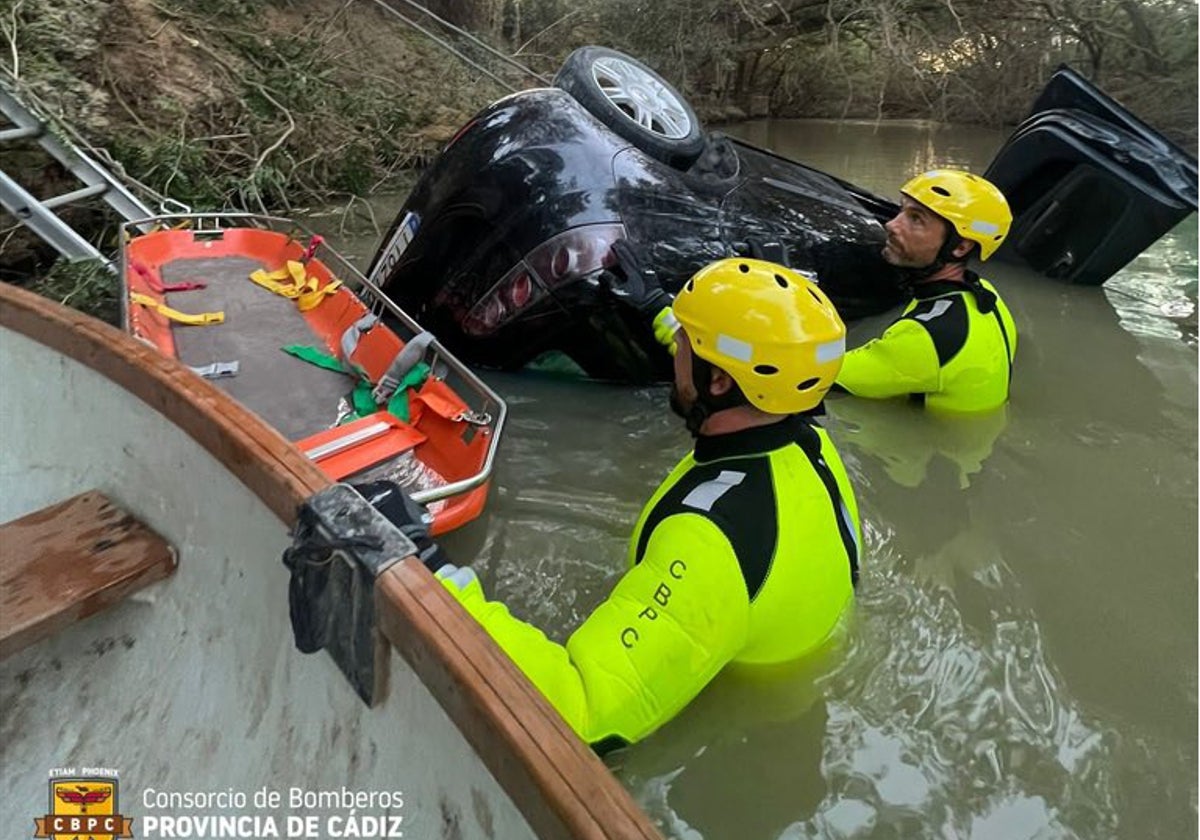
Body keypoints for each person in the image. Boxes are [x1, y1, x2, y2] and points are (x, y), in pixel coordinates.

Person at [428, 257, 862, 752]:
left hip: (741, 724)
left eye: (684, 342)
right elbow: (718, 363)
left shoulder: (708, 542)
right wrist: (659, 309)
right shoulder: (810, 446)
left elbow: (578, 717)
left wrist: (432, 574)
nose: (676, 346)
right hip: (792, 659)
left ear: (719, 381)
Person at [834, 169, 1018, 413]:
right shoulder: (986, 293)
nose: (891, 225)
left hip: (929, 449)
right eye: (902, 211)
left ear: (961, 247)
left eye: (916, 219)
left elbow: (816, 375)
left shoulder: (925, 338)